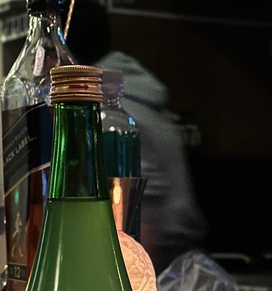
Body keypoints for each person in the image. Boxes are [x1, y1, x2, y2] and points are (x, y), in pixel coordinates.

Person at [64, 0, 207, 275]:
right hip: (174, 254)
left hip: (159, 263)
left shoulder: (110, 114)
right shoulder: (134, 91)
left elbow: (144, 210)